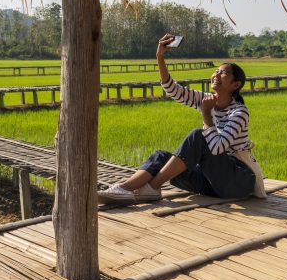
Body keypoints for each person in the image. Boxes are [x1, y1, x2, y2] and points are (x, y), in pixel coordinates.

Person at [98, 34, 265, 203]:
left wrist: (206, 114)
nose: (216, 74)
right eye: (216, 71)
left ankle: (150, 188)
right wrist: (160, 57)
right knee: (161, 157)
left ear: (235, 85)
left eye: (223, 73)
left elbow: (217, 148)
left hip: (238, 182)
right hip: (211, 184)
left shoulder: (239, 112)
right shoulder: (206, 99)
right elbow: (173, 90)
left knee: (198, 135)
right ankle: (123, 188)